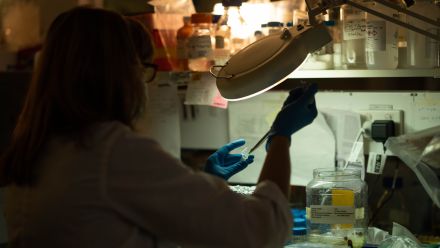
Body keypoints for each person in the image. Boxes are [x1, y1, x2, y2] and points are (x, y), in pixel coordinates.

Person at [0, 7, 318, 248]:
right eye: (143, 69)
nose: (144, 83)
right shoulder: (111, 151)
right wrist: (280, 138)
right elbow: (261, 230)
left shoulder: (35, 149)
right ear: (118, 74)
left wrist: (204, 183)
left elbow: (124, 221)